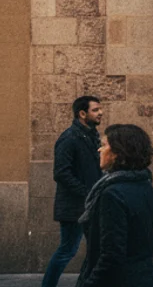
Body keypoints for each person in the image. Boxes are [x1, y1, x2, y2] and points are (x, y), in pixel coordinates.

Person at [75, 124, 153, 287]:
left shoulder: (112, 194)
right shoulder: (145, 186)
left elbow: (111, 255)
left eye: (104, 145)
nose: (99, 149)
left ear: (118, 153)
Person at [42, 96, 104, 287]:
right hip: (74, 207)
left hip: (89, 205)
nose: (100, 113)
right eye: (95, 110)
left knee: (97, 250)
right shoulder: (69, 138)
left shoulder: (91, 135)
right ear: (82, 114)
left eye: (100, 109)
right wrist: (87, 192)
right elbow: (61, 173)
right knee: (67, 250)